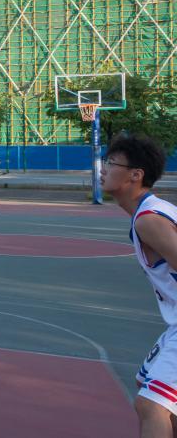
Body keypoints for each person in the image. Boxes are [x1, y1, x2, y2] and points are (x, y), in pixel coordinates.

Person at [94, 135, 177, 435]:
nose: (103, 169)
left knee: (151, 405)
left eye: (111, 163)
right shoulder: (154, 210)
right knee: (148, 383)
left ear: (135, 175)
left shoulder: (148, 220)